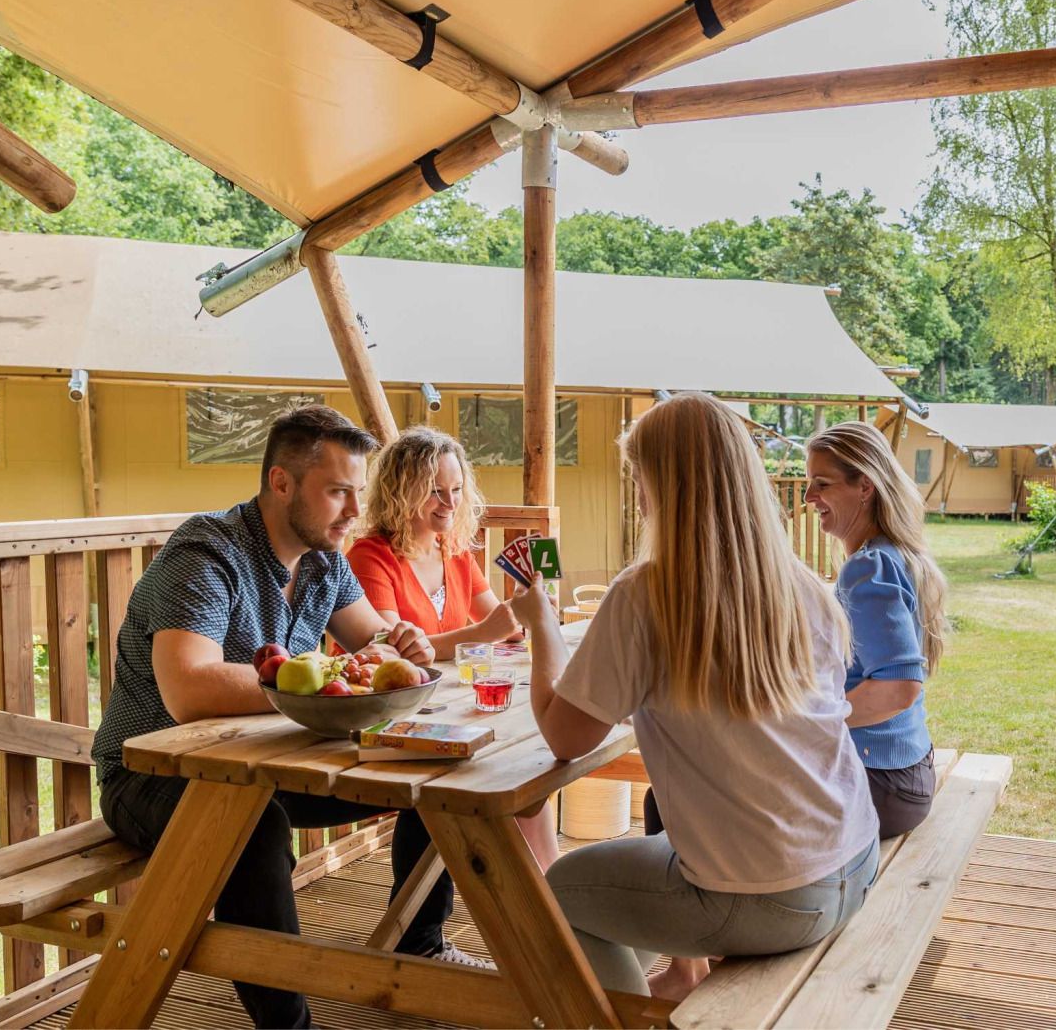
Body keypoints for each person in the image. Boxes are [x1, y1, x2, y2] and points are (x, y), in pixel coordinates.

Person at [90, 406, 489, 1030]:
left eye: (358, 492)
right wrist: (332, 676)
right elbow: (189, 690)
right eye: (337, 492)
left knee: (432, 777)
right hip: (149, 776)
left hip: (269, 763)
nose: (356, 511)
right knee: (252, 826)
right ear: (281, 484)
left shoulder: (325, 560)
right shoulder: (205, 552)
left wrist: (401, 647)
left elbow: (376, 641)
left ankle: (419, 948)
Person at [507, 392, 879, 998]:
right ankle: (672, 986)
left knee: (561, 894)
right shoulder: (805, 587)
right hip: (854, 861)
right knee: (645, 858)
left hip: (774, 897)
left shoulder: (646, 595)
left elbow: (565, 738)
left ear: (665, 486)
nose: (639, 496)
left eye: (640, 478)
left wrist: (542, 627)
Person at [346, 426, 560, 870]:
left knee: (530, 773)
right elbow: (392, 657)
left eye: (456, 489)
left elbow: (500, 622)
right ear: (401, 492)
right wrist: (487, 631)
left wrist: (528, 613)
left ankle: (550, 891)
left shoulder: (454, 550)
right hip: (394, 721)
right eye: (434, 491)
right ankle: (536, 897)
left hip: (450, 707)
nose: (449, 503)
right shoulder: (371, 556)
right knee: (504, 775)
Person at [804, 420, 947, 837]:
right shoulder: (894, 555)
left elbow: (899, 687)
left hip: (882, 785)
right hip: (904, 774)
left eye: (822, 484)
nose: (810, 496)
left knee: (677, 800)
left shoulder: (869, 566)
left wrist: (810, 721)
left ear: (864, 486)